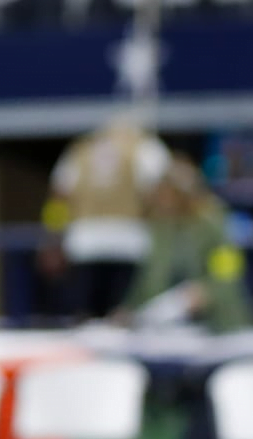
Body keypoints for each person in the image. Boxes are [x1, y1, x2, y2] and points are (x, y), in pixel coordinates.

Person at [45, 117, 171, 319]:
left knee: (86, 313)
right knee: (120, 314)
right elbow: (160, 190)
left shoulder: (80, 151)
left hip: (86, 240)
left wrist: (53, 237)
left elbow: (59, 197)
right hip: (128, 239)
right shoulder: (143, 148)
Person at [115, 157, 253, 333]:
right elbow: (149, 280)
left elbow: (228, 274)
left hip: (219, 324)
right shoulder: (161, 228)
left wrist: (205, 292)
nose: (163, 202)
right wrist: (130, 308)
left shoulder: (213, 224)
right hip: (169, 328)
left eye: (169, 195)